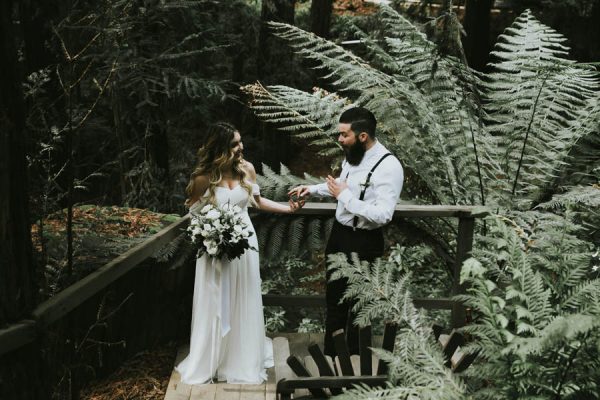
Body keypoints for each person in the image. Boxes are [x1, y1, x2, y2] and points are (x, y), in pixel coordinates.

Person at [176, 122, 303, 385]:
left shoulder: (247, 170)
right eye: (235, 144)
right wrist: (210, 235)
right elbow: (193, 215)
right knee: (215, 300)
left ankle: (241, 357)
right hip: (215, 250)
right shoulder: (203, 178)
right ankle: (214, 358)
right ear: (220, 148)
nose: (241, 147)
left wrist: (287, 209)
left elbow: (256, 201)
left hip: (245, 245)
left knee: (244, 297)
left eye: (240, 141)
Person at [289, 107, 403, 357]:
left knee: (359, 306)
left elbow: (383, 214)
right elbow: (343, 186)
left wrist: (345, 197)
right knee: (335, 301)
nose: (339, 140)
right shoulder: (353, 156)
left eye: (344, 135)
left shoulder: (389, 166)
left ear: (362, 136)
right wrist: (313, 189)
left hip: (365, 241)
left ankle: (354, 365)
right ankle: (331, 359)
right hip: (340, 236)